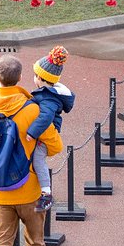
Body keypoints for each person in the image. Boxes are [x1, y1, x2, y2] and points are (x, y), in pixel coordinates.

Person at [0, 54, 64, 246]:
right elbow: (56, 146)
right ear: (20, 77)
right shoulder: (33, 110)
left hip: (0, 189)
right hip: (30, 190)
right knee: (35, 244)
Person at [28, 45, 76, 212]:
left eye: (35, 75)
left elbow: (45, 117)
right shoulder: (48, 94)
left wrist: (32, 132)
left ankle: (46, 193)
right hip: (45, 133)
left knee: (38, 159)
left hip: (47, 136)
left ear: (40, 78)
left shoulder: (48, 98)